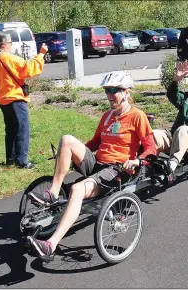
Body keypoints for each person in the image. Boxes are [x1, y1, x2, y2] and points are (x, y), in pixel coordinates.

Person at [26, 71, 157, 259]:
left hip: (116, 170)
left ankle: (50, 245)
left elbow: (151, 147)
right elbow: (95, 143)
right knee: (67, 140)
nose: (110, 95)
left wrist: (137, 160)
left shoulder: (137, 116)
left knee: (78, 189)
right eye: (107, 91)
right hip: (98, 164)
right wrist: (68, 152)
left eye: (114, 90)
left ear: (127, 92)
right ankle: (53, 194)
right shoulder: (107, 116)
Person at [0, 32, 48, 169]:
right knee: (22, 129)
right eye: (10, 43)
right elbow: (29, 69)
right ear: (4, 44)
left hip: (3, 99)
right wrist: (41, 54)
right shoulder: (7, 57)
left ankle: (11, 159)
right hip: (15, 98)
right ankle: (22, 161)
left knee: (11, 130)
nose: (11, 45)